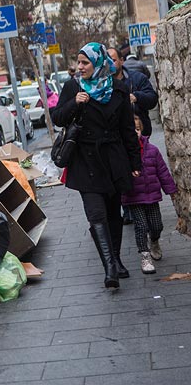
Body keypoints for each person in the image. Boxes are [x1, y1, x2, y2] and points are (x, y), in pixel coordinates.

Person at [51, 42, 141, 288]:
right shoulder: (73, 87)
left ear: (99, 64)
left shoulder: (119, 90)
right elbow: (56, 117)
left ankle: (117, 258)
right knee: (96, 214)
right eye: (78, 62)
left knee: (114, 214)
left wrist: (135, 161)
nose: (80, 68)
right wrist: (74, 103)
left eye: (85, 63)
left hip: (112, 159)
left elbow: (127, 130)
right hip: (85, 161)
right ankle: (110, 267)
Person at [121, 116, 177, 274]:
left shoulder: (152, 150)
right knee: (141, 226)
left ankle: (154, 241)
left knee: (157, 225)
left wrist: (170, 190)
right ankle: (145, 256)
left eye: (137, 130)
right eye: (131, 131)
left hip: (152, 196)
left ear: (141, 130)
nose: (135, 133)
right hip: (134, 197)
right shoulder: (123, 153)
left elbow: (162, 171)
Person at [107, 47, 158, 137]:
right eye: (107, 62)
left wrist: (136, 97)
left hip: (139, 135)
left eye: (113, 60)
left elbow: (152, 99)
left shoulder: (138, 78)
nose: (110, 64)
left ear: (121, 61)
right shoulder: (101, 84)